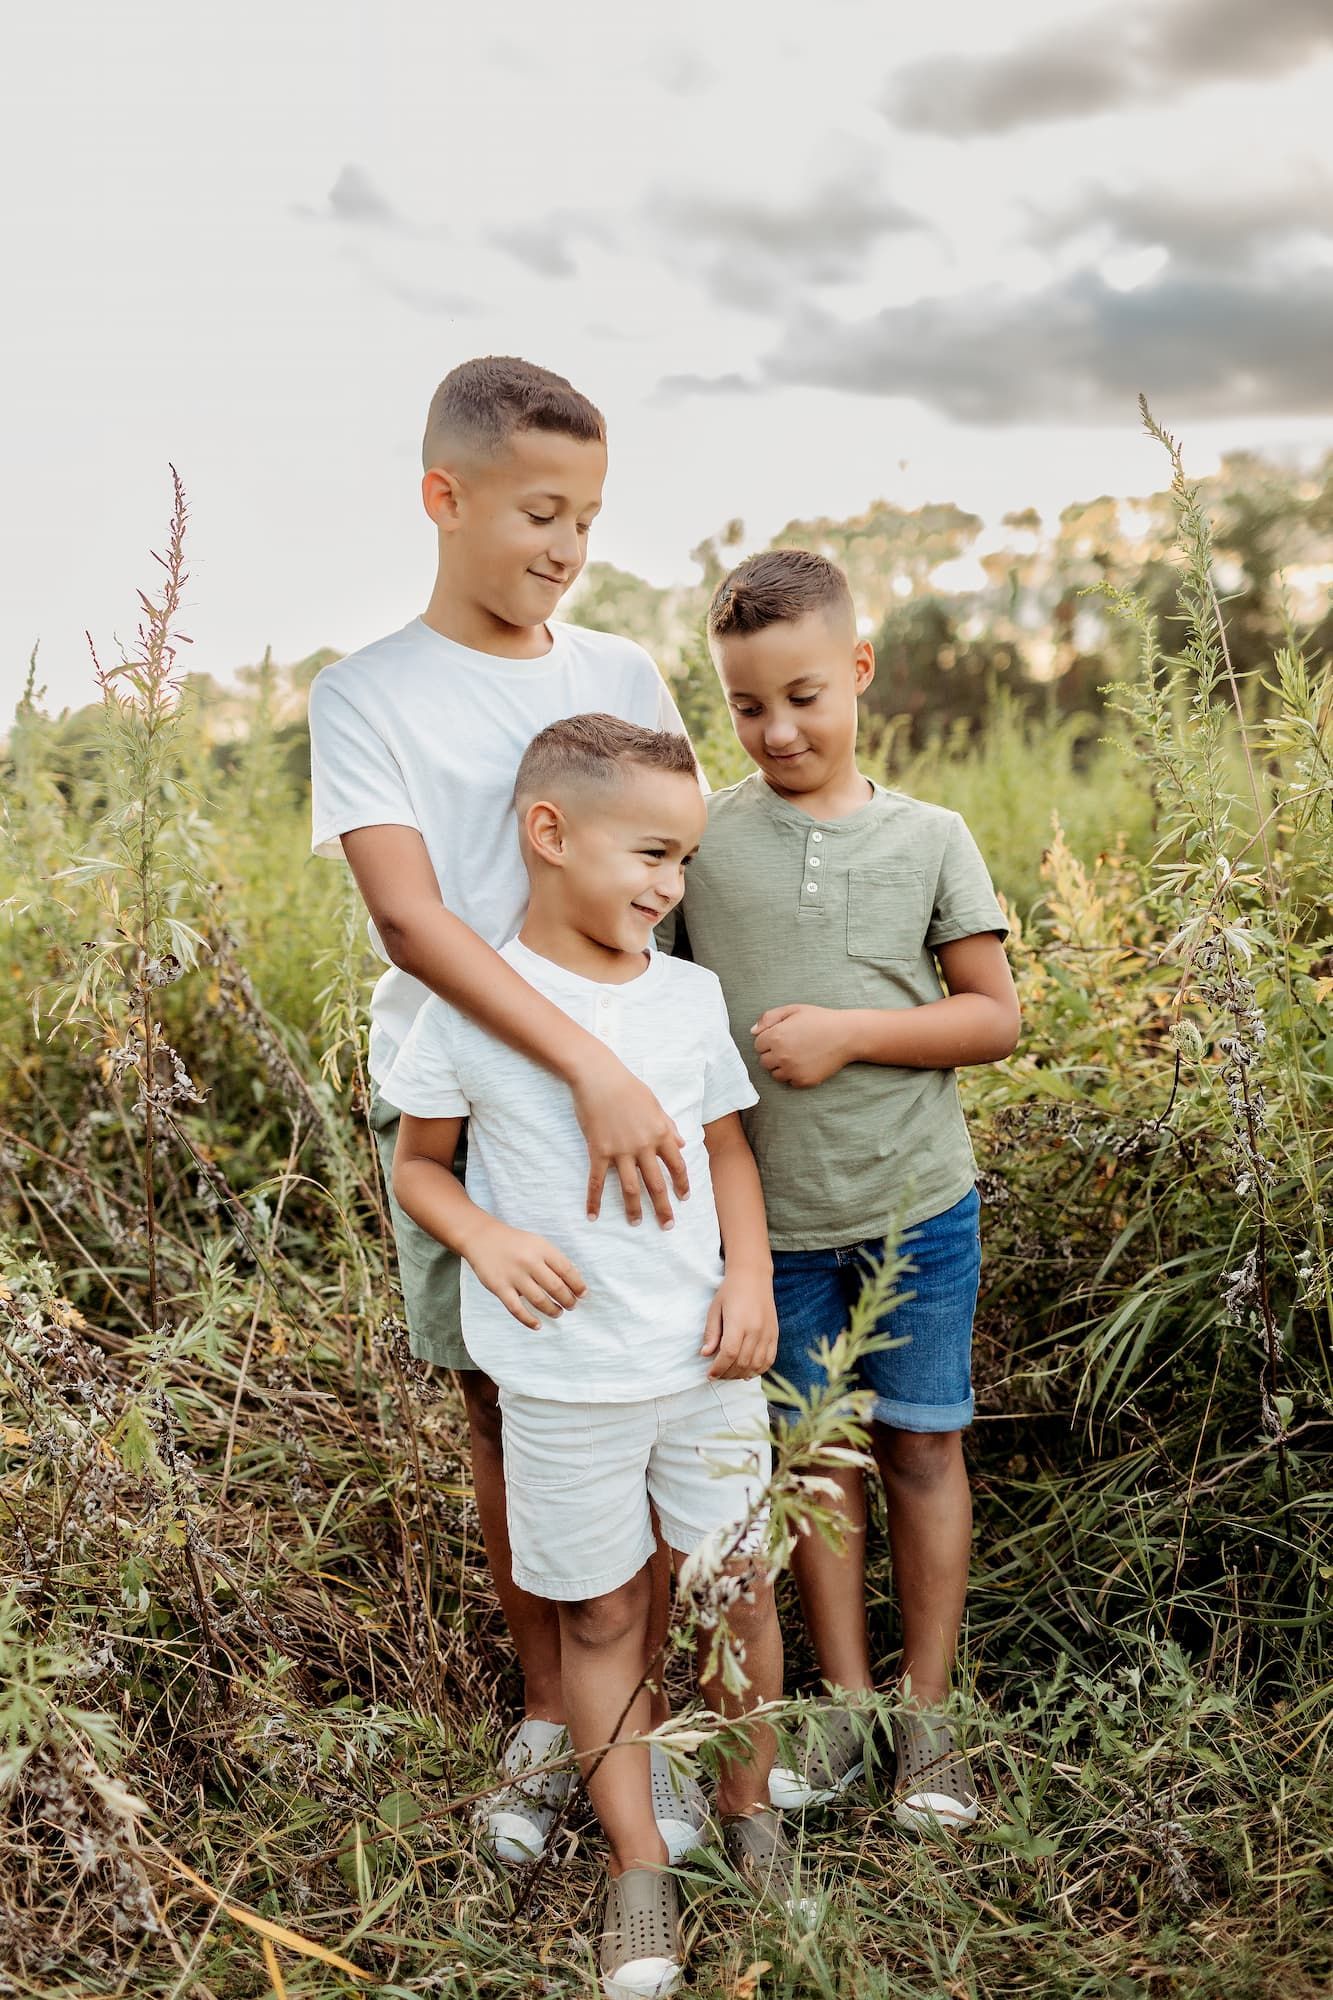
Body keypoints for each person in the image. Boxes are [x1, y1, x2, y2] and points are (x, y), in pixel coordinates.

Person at [307, 357, 703, 1867]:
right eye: (541, 511)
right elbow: (412, 922)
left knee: (649, 1398)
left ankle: (644, 1727)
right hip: (473, 1114)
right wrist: (576, 1062)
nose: (566, 548)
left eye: (588, 519)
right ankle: (554, 1716)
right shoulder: (370, 694)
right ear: (445, 497)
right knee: (506, 1413)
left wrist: (651, 1071)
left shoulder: (624, 674)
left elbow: (677, 876)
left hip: (634, 1125)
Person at [385, 716, 802, 1999]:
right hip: (563, 1379)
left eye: (682, 858)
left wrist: (748, 1275)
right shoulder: (468, 1005)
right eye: (650, 851)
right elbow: (416, 1165)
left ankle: (749, 1810)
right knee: (605, 1612)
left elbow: (729, 1148)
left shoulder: (685, 997)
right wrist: (486, 1239)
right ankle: (637, 1867)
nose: (668, 883)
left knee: (737, 1590)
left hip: (704, 1364)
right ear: (550, 833)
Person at [672, 549, 1021, 1831]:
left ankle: (929, 1712)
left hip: (919, 1207)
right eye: (748, 706)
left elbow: (992, 1016)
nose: (778, 730)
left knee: (923, 1443)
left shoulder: (930, 836)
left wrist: (849, 1031)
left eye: (805, 696)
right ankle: (846, 1698)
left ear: (859, 671)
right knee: (816, 1468)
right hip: (778, 1228)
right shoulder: (703, 840)